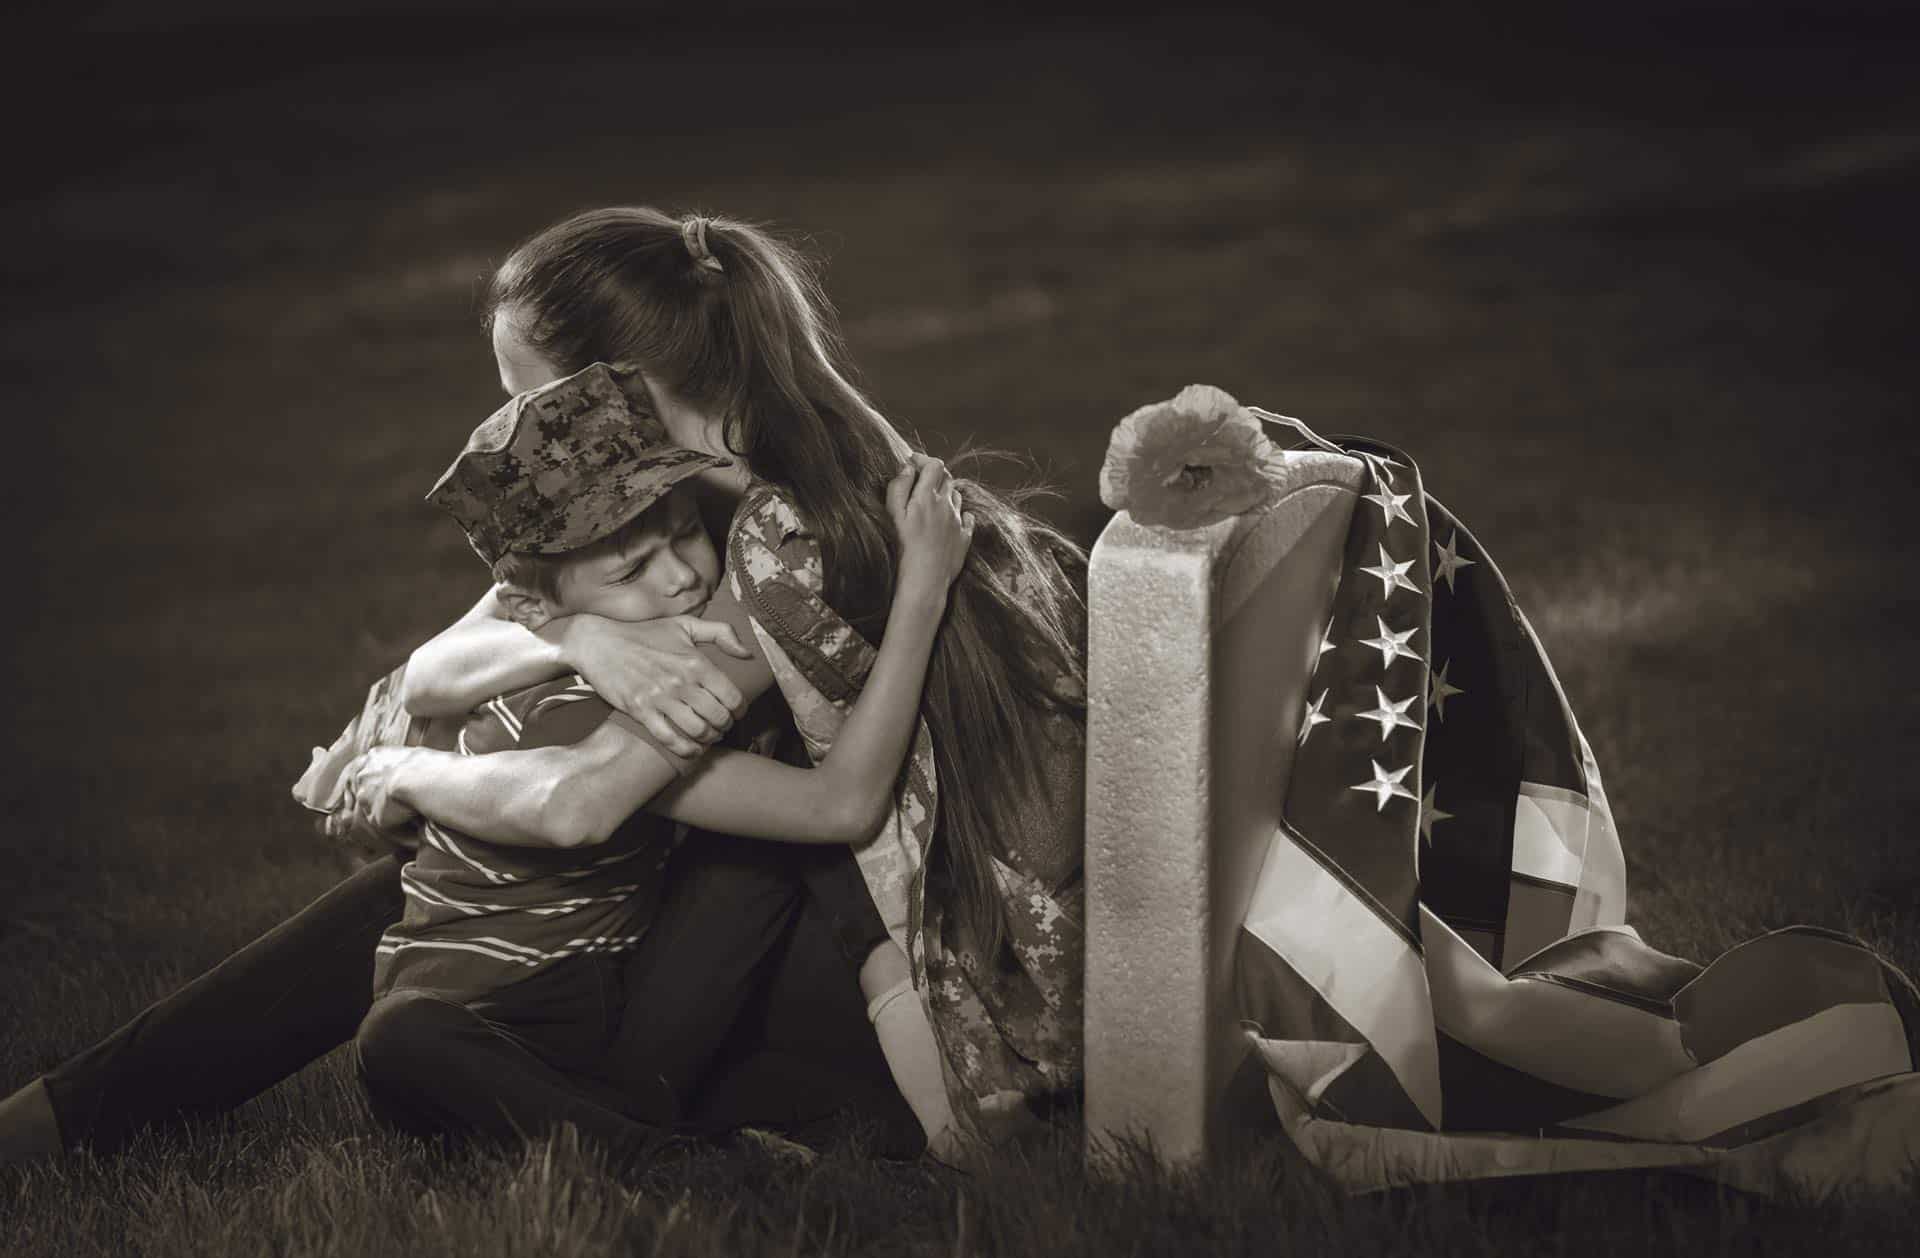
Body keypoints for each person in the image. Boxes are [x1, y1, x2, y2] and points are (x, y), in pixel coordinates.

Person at [0, 204, 1087, 1165]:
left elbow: (576, 795)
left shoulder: (768, 537)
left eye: (527, 396)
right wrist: (574, 637)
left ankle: (78, 1117)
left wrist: (410, 766)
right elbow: (428, 667)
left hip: (885, 980)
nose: (517, 433)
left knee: (441, 886)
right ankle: (68, 1115)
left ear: (608, 392)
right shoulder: (701, 487)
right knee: (450, 885)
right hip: (816, 924)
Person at [349, 358, 972, 1162]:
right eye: (633, 572)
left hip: (622, 1014)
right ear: (540, 611)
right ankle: (677, 1154)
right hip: (507, 1036)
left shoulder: (631, 681)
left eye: (683, 532)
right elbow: (430, 682)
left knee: (401, 1036)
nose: (682, 577)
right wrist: (921, 590)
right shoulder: (574, 687)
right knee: (400, 1035)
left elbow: (831, 809)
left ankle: (677, 1139)